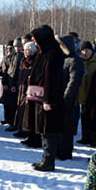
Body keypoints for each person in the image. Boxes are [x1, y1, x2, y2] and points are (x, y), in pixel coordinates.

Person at [24, 25, 64, 172]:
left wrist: (48, 100)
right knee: (43, 129)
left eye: (36, 39)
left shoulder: (53, 53)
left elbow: (52, 79)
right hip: (39, 97)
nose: (34, 42)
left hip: (48, 99)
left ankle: (49, 161)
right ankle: (45, 158)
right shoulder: (43, 52)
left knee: (49, 130)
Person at [57, 34, 83, 160]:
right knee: (61, 126)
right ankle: (60, 148)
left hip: (68, 100)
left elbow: (73, 82)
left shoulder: (75, 60)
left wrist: (66, 98)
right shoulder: (64, 59)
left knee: (67, 127)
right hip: (61, 98)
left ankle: (65, 151)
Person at [15, 42, 39, 146]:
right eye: (25, 50)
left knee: (30, 114)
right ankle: (24, 131)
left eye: (28, 50)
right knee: (22, 111)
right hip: (22, 89)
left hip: (31, 90)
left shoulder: (35, 62)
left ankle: (33, 137)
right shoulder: (23, 61)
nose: (25, 52)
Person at [78, 41, 96, 145]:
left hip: (93, 95)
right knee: (84, 117)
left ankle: (93, 139)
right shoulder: (80, 62)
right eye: (82, 51)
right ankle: (85, 137)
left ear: (92, 51)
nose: (84, 53)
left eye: (87, 50)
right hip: (82, 95)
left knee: (93, 118)